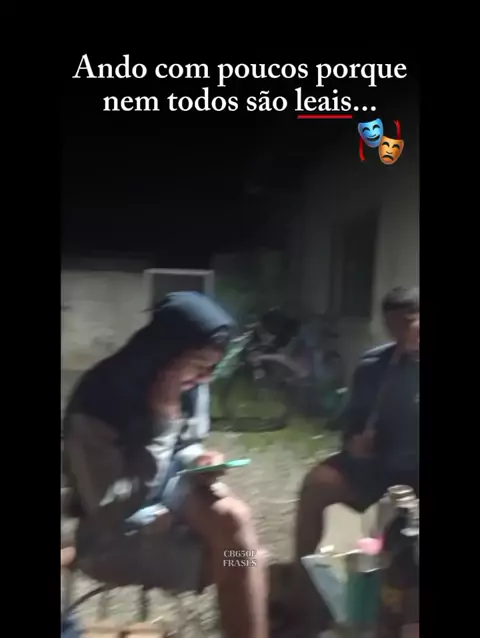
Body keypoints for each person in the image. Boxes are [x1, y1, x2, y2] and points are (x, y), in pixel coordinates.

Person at [62, 292, 268, 638]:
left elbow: (184, 445)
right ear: (164, 352)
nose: (205, 378)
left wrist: (199, 460)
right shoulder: (100, 399)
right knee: (244, 563)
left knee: (239, 531)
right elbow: (111, 506)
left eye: (213, 368)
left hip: (170, 509)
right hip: (115, 538)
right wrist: (162, 420)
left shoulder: (189, 383)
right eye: (198, 365)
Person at [274, 286, 419, 636]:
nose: (400, 334)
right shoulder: (372, 365)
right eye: (392, 326)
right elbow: (351, 421)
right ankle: (306, 598)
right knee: (316, 484)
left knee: (402, 546)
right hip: (375, 467)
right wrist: (354, 442)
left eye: (408, 324)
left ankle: (401, 614)